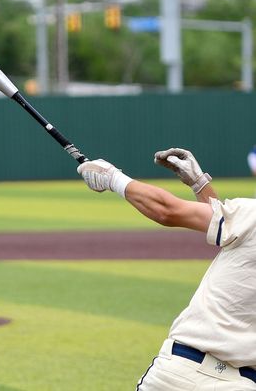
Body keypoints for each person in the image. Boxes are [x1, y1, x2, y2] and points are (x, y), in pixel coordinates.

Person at [77, 148, 256, 391]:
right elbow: (232, 238)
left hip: (179, 371)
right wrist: (200, 184)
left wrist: (113, 178)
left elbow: (168, 211)